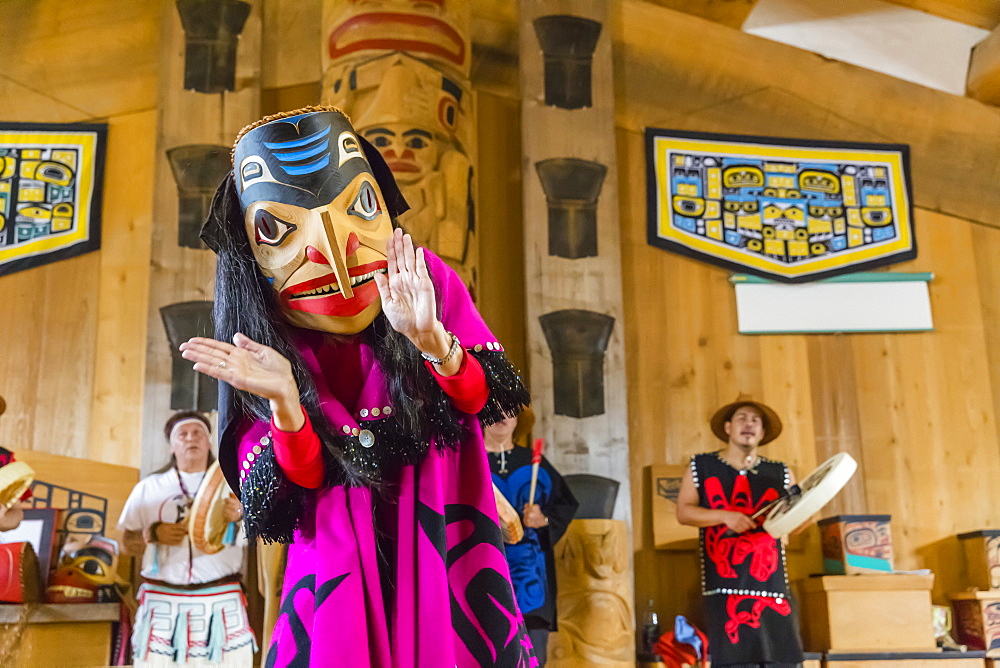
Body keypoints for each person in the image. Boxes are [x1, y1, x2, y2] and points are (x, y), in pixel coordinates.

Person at [180, 106, 535, 666]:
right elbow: (299, 481)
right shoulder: (257, 336)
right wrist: (285, 404)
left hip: (439, 516)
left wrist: (433, 341)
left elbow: (479, 401)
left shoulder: (423, 278)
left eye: (359, 206)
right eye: (278, 228)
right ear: (251, 250)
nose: (335, 254)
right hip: (335, 548)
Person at [676, 395, 805, 667]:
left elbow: (797, 517)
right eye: (742, 419)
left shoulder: (780, 472)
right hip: (723, 583)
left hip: (771, 584)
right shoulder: (701, 466)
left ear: (763, 431)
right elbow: (684, 512)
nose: (749, 425)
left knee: (781, 660)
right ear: (727, 428)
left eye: (755, 420)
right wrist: (724, 516)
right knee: (732, 661)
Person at [119, 411, 254, 667]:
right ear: (172, 446)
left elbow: (258, 537)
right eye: (183, 434)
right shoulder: (149, 488)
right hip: (162, 600)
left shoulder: (234, 486)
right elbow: (125, 543)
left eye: (198, 433)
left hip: (221, 598)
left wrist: (239, 516)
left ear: (209, 442)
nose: (191, 438)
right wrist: (151, 534)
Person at [485, 407, 578, 667]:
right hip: (484, 574)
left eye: (509, 410)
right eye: (494, 408)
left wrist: (544, 518)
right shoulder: (468, 464)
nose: (501, 415)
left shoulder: (535, 462)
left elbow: (565, 504)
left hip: (532, 580)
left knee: (534, 655)